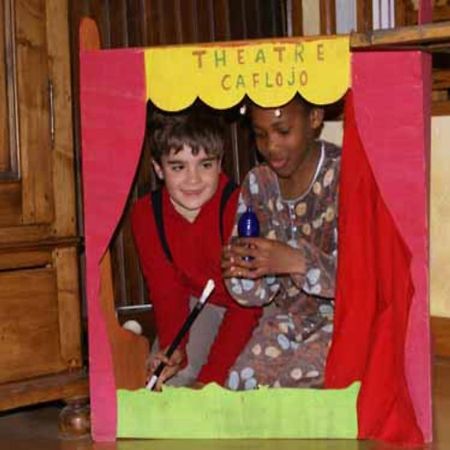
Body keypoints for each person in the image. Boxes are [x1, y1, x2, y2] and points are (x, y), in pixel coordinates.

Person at [131, 108, 262, 390]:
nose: (193, 180)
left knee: (237, 384)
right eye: (178, 167)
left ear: (220, 164)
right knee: (166, 384)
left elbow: (247, 307)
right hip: (201, 305)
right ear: (158, 168)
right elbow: (166, 292)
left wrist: (210, 380)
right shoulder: (147, 215)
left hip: (253, 309)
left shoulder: (238, 207)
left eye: (205, 164)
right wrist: (174, 348)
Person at [222, 96, 340, 390]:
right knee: (241, 386)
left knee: (293, 388)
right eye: (260, 134)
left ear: (314, 118)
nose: (271, 147)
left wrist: (297, 261)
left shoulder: (345, 176)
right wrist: (243, 271)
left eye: (283, 131)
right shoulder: (258, 183)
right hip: (287, 320)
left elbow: (367, 278)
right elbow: (256, 295)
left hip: (344, 323)